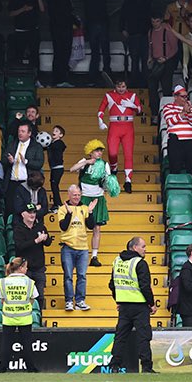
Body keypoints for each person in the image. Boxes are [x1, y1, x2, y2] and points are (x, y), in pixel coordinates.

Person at [107, 237, 156, 373]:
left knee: (120, 337)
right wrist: (151, 304)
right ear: (135, 247)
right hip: (140, 306)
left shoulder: (117, 261)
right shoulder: (140, 263)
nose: (145, 249)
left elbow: (112, 284)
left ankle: (114, 365)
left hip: (124, 307)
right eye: (143, 246)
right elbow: (145, 286)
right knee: (143, 337)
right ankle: (146, 367)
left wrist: (119, 300)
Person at [70, 139, 115, 267]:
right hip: (84, 198)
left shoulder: (105, 164)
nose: (99, 153)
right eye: (97, 150)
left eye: (101, 150)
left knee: (97, 228)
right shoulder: (84, 162)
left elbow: (107, 182)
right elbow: (72, 169)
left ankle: (94, 256)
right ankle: (77, 253)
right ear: (90, 151)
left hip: (98, 198)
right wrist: (86, 162)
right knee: (79, 226)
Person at [96, 79, 142, 193]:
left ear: (126, 86)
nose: (121, 89)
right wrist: (100, 121)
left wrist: (132, 105)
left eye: (123, 86)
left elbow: (140, 110)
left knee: (128, 154)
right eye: (119, 87)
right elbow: (101, 109)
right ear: (115, 87)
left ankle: (128, 181)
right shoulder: (109, 95)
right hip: (114, 126)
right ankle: (114, 168)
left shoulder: (132, 95)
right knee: (112, 152)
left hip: (128, 127)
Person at [0, 257, 39, 373]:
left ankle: (2, 368)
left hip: (8, 317)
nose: (27, 269)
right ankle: (31, 368)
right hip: (25, 318)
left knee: (6, 344)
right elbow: (33, 298)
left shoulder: (3, 281)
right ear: (20, 268)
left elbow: (1, 299)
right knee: (27, 345)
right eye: (25, 267)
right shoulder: (29, 282)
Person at [57, 185, 97, 313]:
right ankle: (69, 301)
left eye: (79, 195)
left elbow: (91, 226)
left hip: (83, 247)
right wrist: (69, 214)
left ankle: (80, 301)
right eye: (74, 195)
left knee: (82, 276)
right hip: (67, 246)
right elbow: (63, 226)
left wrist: (90, 212)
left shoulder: (84, 208)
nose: (77, 197)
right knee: (68, 276)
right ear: (69, 195)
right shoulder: (63, 209)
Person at [119, 0, 161, 87]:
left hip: (145, 35)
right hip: (133, 35)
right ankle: (134, 83)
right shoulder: (127, 1)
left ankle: (146, 82)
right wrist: (122, 29)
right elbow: (122, 17)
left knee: (145, 59)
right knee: (134, 59)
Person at [12, 203, 52, 308]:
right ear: (23, 214)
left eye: (34, 212)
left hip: (39, 267)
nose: (32, 215)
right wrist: (36, 240)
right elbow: (20, 246)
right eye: (29, 212)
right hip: (24, 268)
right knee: (26, 296)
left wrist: (46, 238)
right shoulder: (18, 229)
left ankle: (40, 319)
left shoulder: (40, 227)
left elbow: (48, 243)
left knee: (40, 296)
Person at [4, 121, 45, 220]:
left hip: (27, 183)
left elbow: (39, 163)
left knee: (26, 209)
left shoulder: (36, 146)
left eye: (23, 131)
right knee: (11, 208)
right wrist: (9, 161)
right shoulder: (13, 144)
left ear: (29, 133)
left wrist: (26, 161)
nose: (20, 133)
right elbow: (3, 158)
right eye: (19, 131)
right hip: (12, 182)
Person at [79, 0, 114, 83]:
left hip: (91, 25)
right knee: (105, 50)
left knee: (95, 53)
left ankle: (92, 77)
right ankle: (107, 73)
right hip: (102, 24)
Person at [45, 0, 77, 86]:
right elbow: (67, 13)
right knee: (63, 54)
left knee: (58, 53)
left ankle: (57, 78)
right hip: (63, 29)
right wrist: (76, 22)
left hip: (55, 28)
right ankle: (61, 79)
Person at [6, 0, 44, 70]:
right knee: (19, 54)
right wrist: (23, 9)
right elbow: (11, 13)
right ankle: (19, 75)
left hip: (33, 30)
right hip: (20, 30)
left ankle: (35, 77)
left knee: (35, 54)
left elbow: (42, 9)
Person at [162, 86, 192, 178]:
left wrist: (189, 112)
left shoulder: (190, 107)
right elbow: (170, 122)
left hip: (190, 141)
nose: (185, 99)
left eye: (186, 97)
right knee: (175, 168)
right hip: (176, 141)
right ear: (175, 97)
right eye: (183, 97)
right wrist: (183, 113)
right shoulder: (168, 107)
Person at [48, 125, 67, 210]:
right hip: (54, 168)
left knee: (54, 186)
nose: (54, 132)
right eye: (53, 130)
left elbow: (55, 147)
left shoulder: (58, 143)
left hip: (58, 168)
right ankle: (57, 203)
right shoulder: (52, 143)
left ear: (61, 135)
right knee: (53, 185)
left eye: (56, 131)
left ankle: (58, 204)